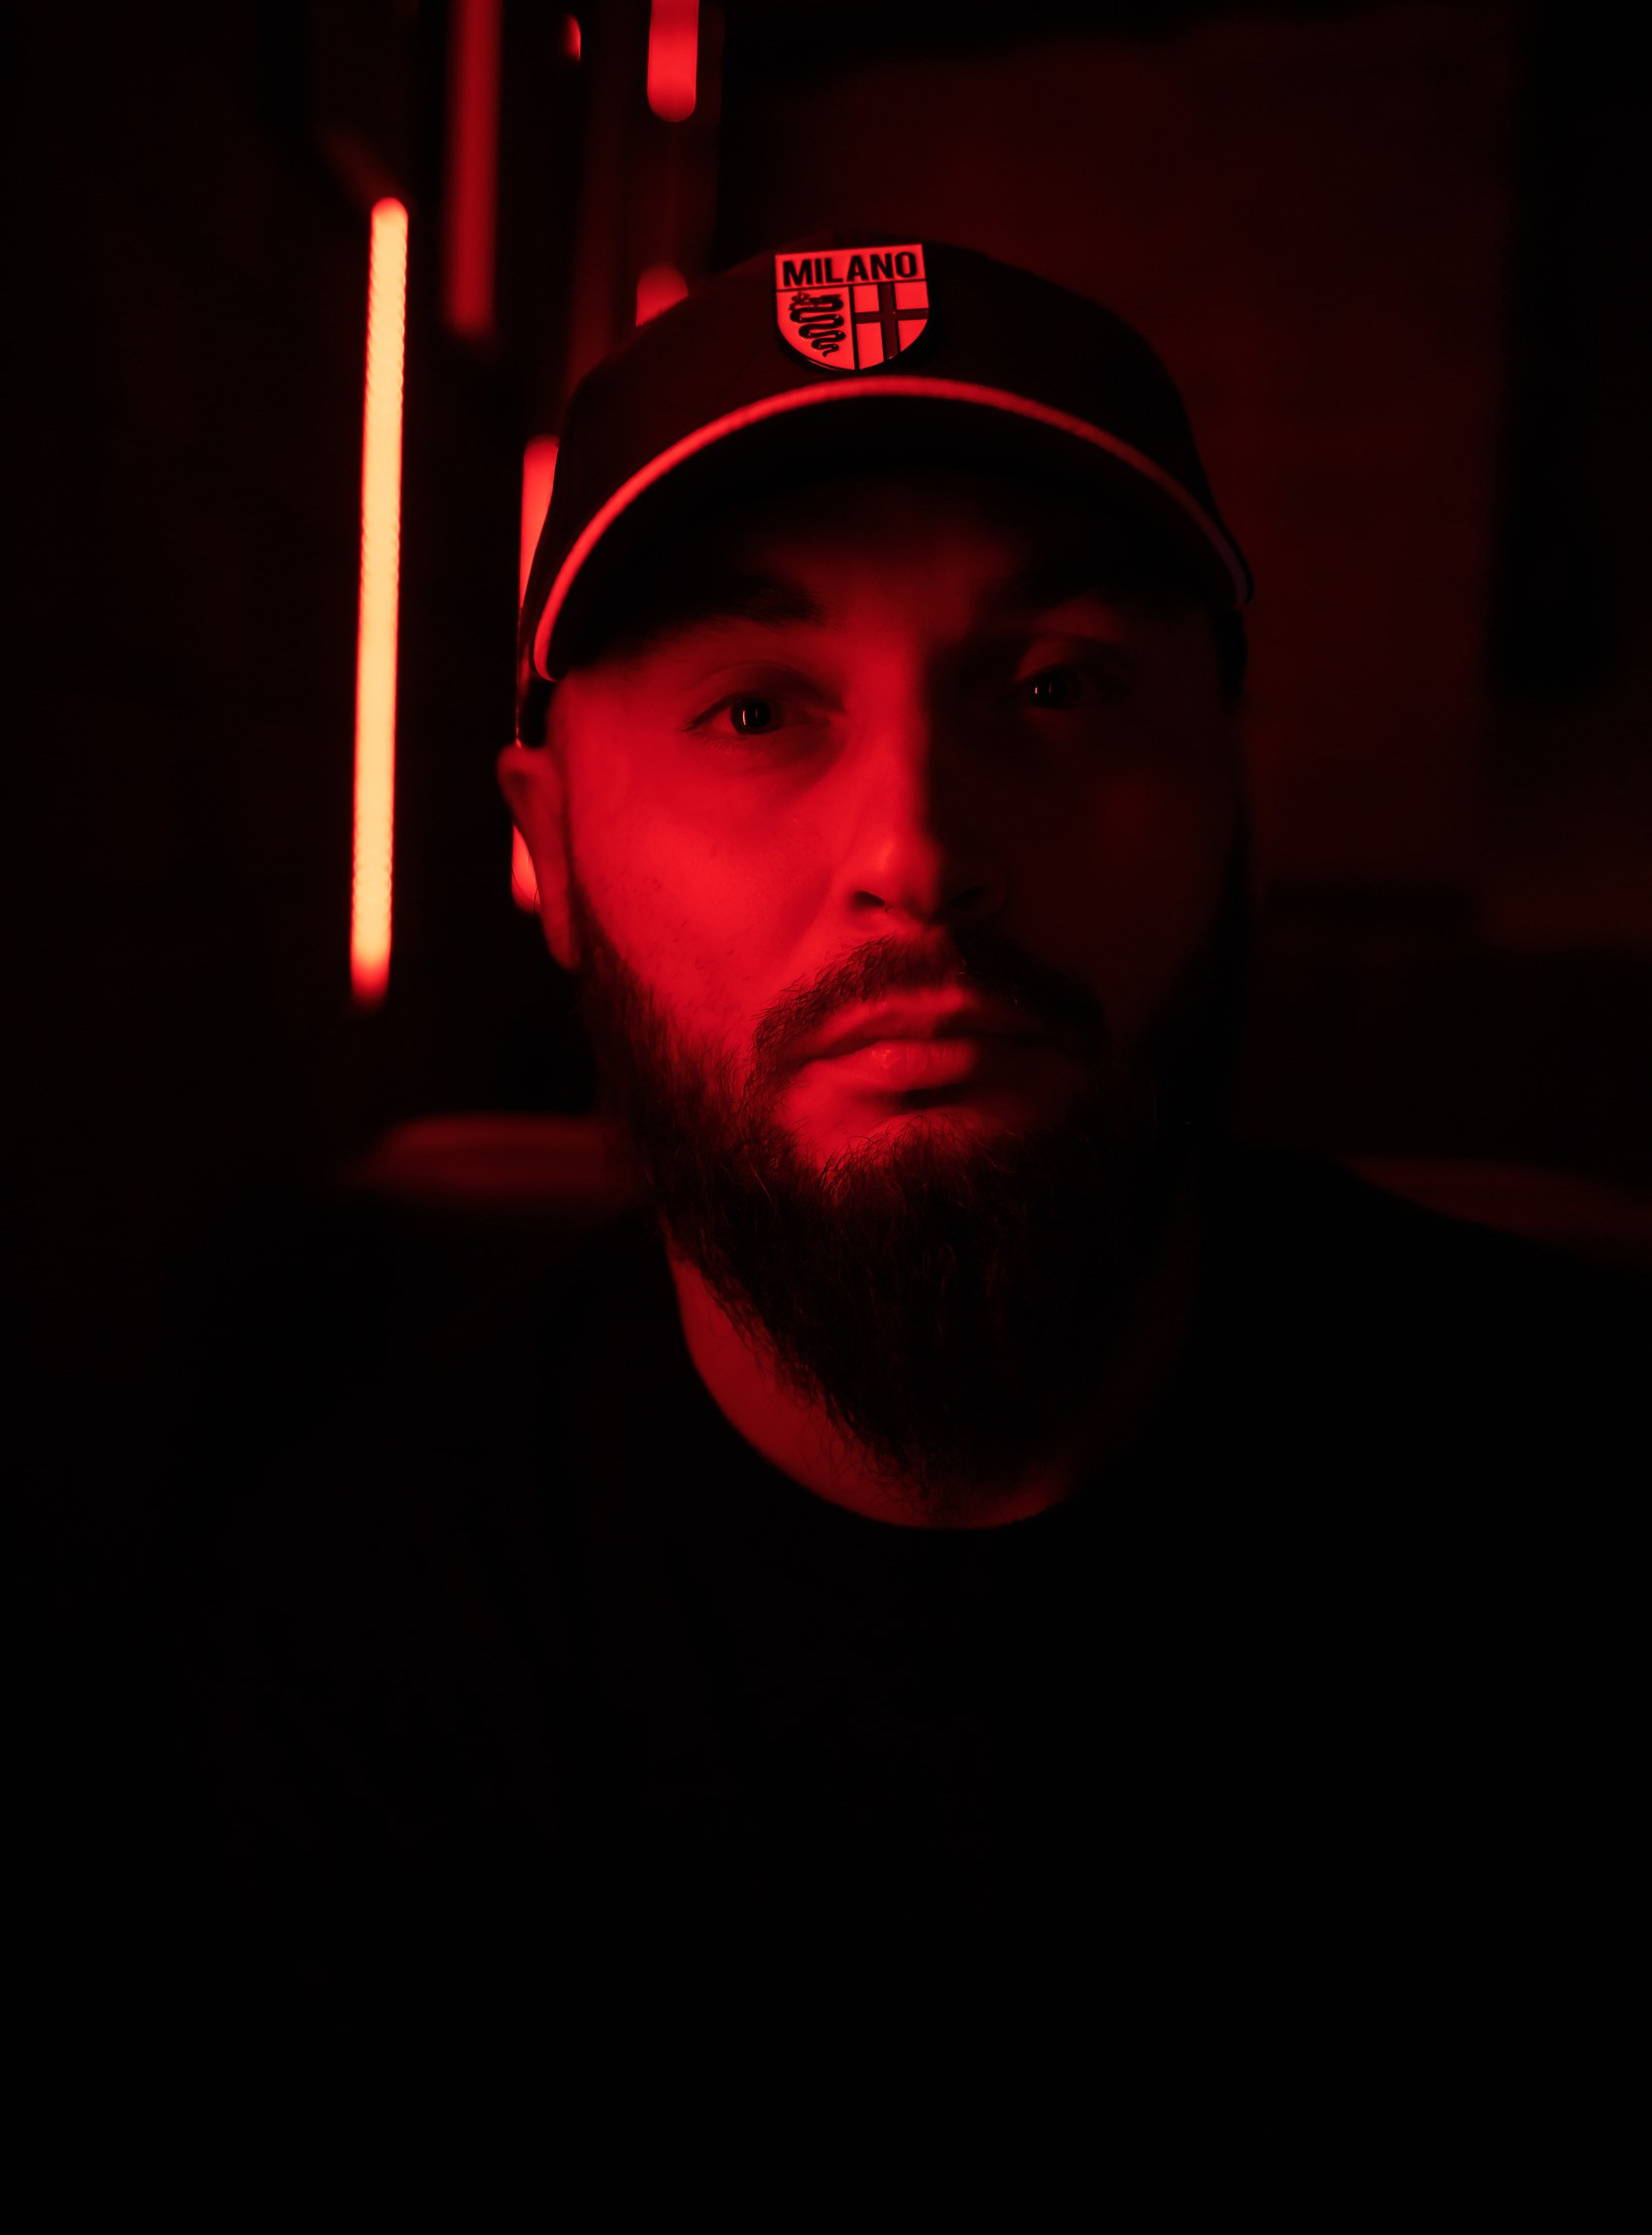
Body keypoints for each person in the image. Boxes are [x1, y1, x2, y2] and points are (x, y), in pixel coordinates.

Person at [145, 242, 1641, 2056]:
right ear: (548, 850)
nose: (919, 858)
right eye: (755, 710)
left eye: (1060, 688)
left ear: (1233, 794)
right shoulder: (361, 1649)